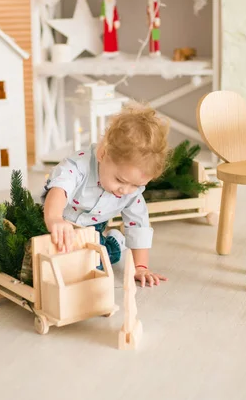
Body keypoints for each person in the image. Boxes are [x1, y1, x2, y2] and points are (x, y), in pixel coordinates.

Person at [42, 104, 169, 287]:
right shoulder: (78, 166)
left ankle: (115, 242)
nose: (125, 190)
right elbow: (59, 189)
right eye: (120, 180)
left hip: (92, 229)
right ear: (102, 153)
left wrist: (140, 267)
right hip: (57, 217)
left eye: (137, 185)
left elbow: (138, 225)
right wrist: (54, 218)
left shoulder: (131, 193)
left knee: (94, 262)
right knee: (37, 248)